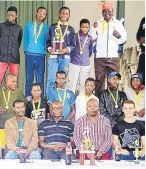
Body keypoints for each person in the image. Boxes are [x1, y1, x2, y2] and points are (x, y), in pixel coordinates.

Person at [89, 2, 127, 93]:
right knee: (99, 81)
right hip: (100, 58)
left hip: (113, 57)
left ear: (112, 12)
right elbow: (91, 37)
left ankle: (112, 102)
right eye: (104, 11)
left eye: (109, 11)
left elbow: (124, 39)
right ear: (102, 13)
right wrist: (94, 28)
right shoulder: (98, 23)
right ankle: (99, 101)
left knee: (113, 80)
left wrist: (118, 36)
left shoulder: (118, 23)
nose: (107, 13)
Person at [46, 6, 76, 96]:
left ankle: (61, 99)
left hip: (65, 58)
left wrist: (66, 49)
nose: (64, 15)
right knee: (51, 79)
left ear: (69, 16)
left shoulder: (71, 29)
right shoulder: (52, 27)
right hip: (54, 58)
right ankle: (50, 100)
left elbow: (73, 45)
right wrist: (50, 49)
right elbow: (47, 41)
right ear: (59, 14)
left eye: (66, 13)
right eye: (62, 13)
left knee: (62, 80)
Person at [24, 7, 49, 100]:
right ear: (36, 13)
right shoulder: (28, 25)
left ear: (45, 16)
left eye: (44, 13)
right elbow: (25, 38)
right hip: (29, 54)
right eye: (40, 12)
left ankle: (40, 99)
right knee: (28, 78)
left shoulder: (47, 28)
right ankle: (28, 98)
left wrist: (44, 49)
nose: (41, 14)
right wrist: (26, 49)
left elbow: (48, 42)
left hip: (41, 56)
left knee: (40, 79)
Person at [68, 19, 93, 94]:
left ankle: (81, 101)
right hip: (74, 62)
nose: (85, 29)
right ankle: (71, 101)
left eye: (86, 27)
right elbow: (70, 48)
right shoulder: (75, 36)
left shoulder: (90, 38)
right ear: (80, 27)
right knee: (72, 83)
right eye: (83, 27)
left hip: (85, 64)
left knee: (83, 84)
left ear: (89, 28)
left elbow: (90, 51)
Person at [0, 6, 23, 86]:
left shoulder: (19, 29)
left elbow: (18, 42)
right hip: (2, 58)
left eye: (12, 15)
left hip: (14, 58)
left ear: (16, 15)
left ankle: (14, 98)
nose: (10, 16)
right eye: (9, 15)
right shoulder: (1, 26)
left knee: (14, 81)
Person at [137, 17, 145, 85]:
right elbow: (138, 33)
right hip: (143, 54)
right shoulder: (144, 20)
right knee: (141, 79)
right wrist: (140, 38)